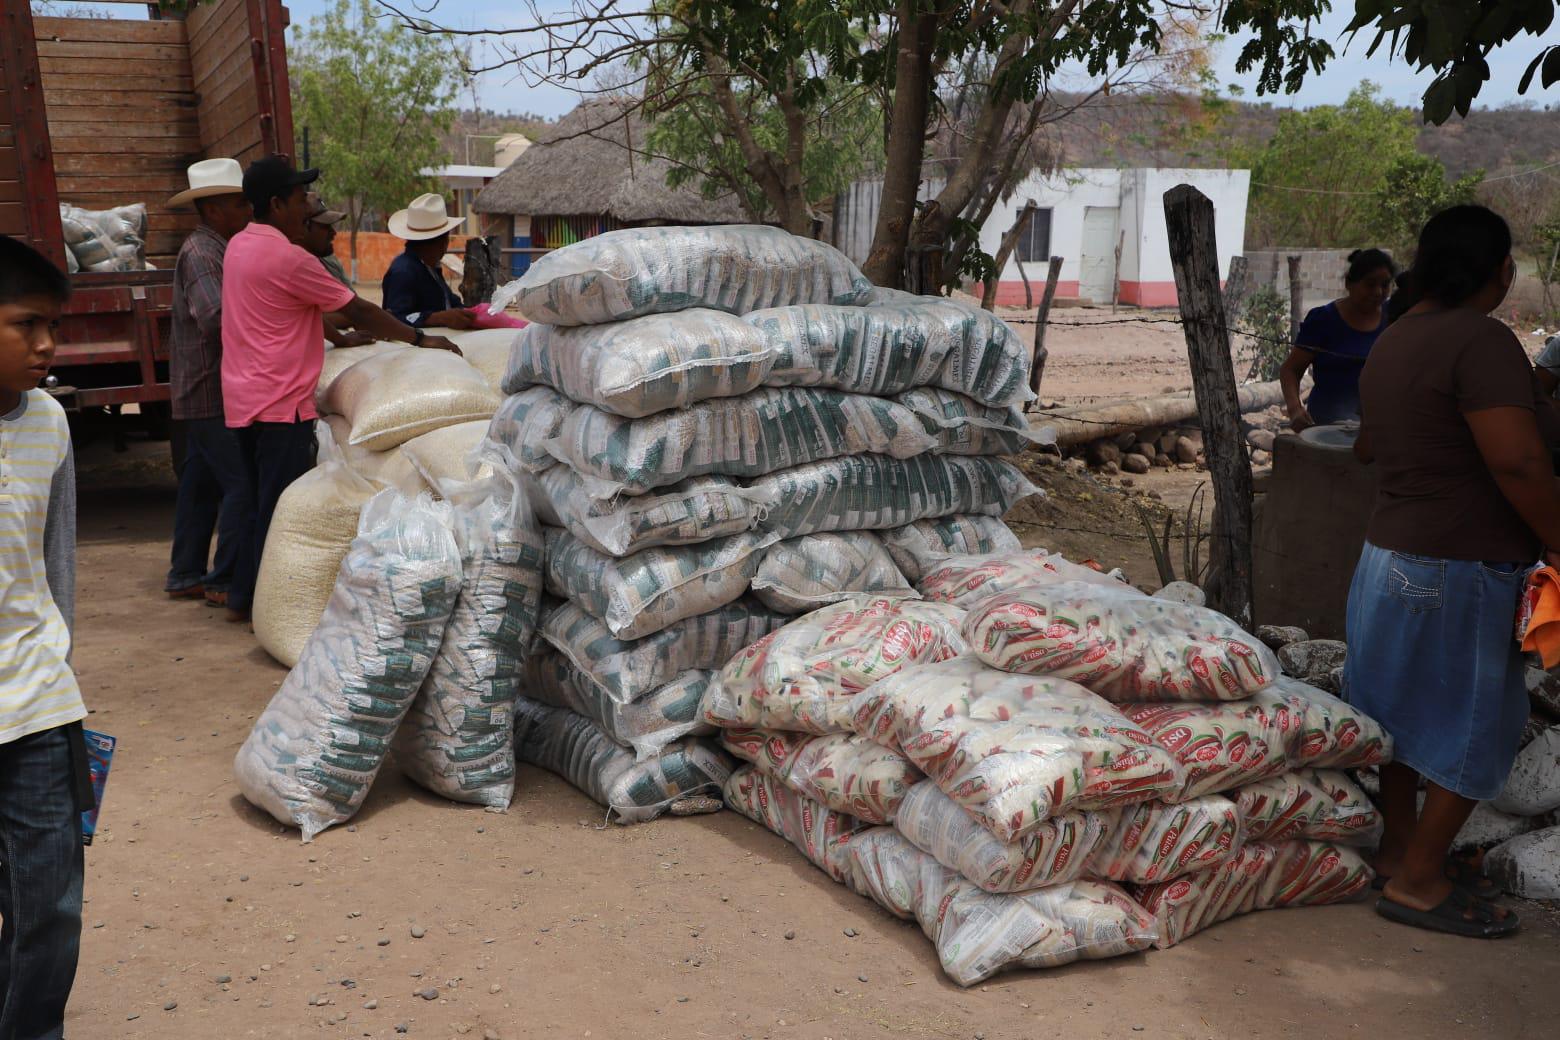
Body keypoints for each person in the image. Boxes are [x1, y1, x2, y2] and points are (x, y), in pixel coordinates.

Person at [1346, 205, 1560, 939]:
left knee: (1399, 720)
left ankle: (1400, 851)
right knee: (1479, 725)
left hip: (1388, 558)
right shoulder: (1481, 340)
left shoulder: (1398, 336)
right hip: (1458, 565)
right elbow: (1518, 459)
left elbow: (1369, 445)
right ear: (1497, 271)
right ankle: (1419, 882)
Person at [221, 157, 460, 624]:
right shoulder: (289, 256)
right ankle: (265, 608)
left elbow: (287, 310)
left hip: (243, 398)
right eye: (299, 198)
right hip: (279, 404)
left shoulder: (240, 247)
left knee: (254, 501)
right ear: (276, 203)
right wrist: (418, 338)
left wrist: (336, 339)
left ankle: (239, 595)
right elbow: (361, 310)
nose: (306, 206)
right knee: (280, 510)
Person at [0, 235, 90, 1039]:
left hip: (33, 709)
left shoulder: (50, 424)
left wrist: (59, 670)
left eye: (52, 326)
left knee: (50, 910)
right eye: (26, 324)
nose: (47, 346)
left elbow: (54, 563)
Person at [163, 158, 257, 609]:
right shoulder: (203, 254)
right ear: (215, 209)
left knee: (200, 485)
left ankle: (185, 574)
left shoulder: (215, 248)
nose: (249, 211)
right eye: (241, 203)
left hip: (199, 389)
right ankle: (222, 579)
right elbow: (216, 318)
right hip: (210, 389)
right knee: (242, 483)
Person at [1279, 248, 1397, 431]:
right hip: (1325, 427)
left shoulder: (1394, 319)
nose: (1378, 292)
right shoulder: (1323, 319)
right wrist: (1295, 409)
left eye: (1385, 284)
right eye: (1370, 284)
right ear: (1349, 283)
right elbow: (1290, 370)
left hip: (1376, 431)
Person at [381, 193, 475, 329]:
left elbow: (447, 300)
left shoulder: (430, 267)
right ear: (441, 243)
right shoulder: (404, 272)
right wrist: (438, 318)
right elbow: (394, 318)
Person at [300, 192, 374, 349]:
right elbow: (304, 319)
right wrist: (417, 338)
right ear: (304, 227)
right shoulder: (293, 265)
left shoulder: (329, 261)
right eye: (325, 227)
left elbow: (352, 303)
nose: (333, 233)